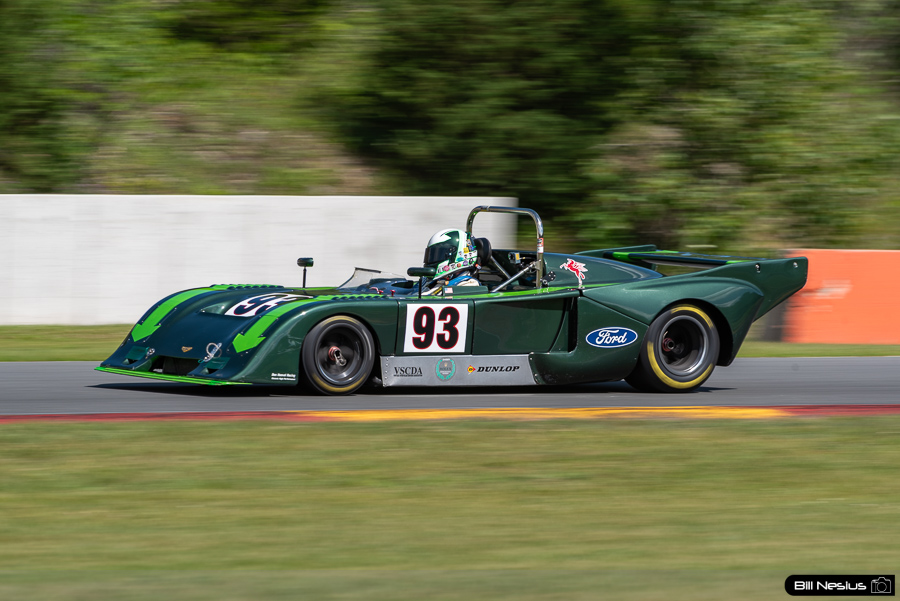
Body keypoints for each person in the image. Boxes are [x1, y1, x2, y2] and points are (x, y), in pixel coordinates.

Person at [422, 228, 480, 294]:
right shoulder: (432, 282)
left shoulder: (468, 285)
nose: (433, 258)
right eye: (432, 255)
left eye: (440, 254)